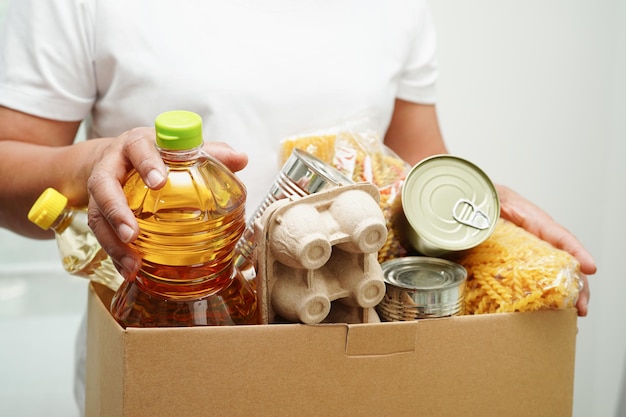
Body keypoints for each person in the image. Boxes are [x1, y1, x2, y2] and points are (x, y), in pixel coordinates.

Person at [0, 0, 597, 414]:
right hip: (172, 352)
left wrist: (481, 205)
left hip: (347, 370)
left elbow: (412, 163)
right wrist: (92, 162)